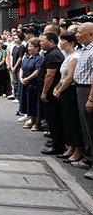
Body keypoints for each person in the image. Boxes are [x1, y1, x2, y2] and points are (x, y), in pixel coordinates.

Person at [53, 32, 83, 163]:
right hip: (64, 89)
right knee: (67, 119)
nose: (60, 43)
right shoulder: (68, 56)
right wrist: (56, 87)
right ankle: (70, 147)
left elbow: (70, 78)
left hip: (70, 91)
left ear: (71, 43)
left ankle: (77, 150)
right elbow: (63, 76)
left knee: (73, 120)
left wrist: (60, 89)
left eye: (63, 40)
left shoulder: (75, 56)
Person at [39, 33, 66, 155]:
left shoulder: (54, 55)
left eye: (43, 41)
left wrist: (44, 92)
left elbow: (50, 75)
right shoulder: (51, 53)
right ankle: (55, 140)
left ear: (51, 42)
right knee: (51, 118)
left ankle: (57, 146)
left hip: (51, 92)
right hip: (50, 91)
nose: (40, 43)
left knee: (54, 118)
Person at [74, 23, 93, 179]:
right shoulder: (83, 49)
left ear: (91, 34)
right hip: (80, 88)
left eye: (80, 32)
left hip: (88, 90)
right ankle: (88, 158)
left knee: (90, 127)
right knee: (85, 127)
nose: (76, 35)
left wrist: (91, 98)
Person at [19, 38, 43, 131]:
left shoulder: (39, 58)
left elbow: (38, 71)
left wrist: (28, 79)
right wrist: (21, 78)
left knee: (35, 103)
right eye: (28, 47)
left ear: (37, 48)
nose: (29, 49)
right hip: (25, 83)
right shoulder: (27, 57)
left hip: (34, 84)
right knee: (28, 103)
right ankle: (32, 120)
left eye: (31, 47)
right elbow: (22, 68)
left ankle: (37, 123)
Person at [9, 32, 26, 105]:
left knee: (19, 83)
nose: (15, 40)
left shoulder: (22, 47)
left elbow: (20, 58)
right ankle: (16, 96)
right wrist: (12, 66)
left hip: (18, 67)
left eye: (16, 38)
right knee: (15, 82)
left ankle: (19, 98)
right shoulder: (14, 47)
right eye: (14, 38)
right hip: (13, 67)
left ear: (21, 39)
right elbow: (12, 56)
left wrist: (15, 66)